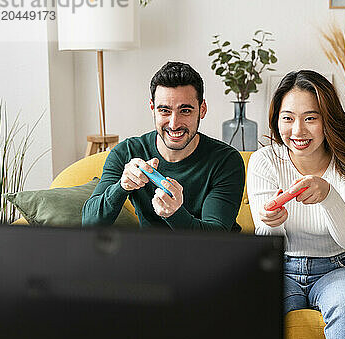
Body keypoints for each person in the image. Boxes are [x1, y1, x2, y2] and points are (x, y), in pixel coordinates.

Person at [246, 70, 345, 339]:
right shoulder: (264, 161)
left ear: (328, 120)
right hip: (279, 267)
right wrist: (272, 222)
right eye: (287, 118)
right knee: (250, 308)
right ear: (276, 120)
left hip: (338, 268)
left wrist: (328, 195)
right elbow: (265, 246)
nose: (298, 130)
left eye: (310, 118)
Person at [82, 61, 245, 231]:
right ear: (152, 108)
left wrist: (174, 214)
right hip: (151, 255)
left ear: (202, 109)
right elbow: (89, 223)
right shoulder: (127, 152)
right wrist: (122, 187)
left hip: (208, 256)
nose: (174, 124)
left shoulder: (225, 160)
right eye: (165, 110)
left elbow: (217, 237)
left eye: (185, 110)